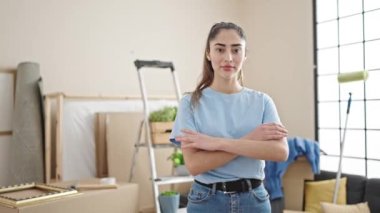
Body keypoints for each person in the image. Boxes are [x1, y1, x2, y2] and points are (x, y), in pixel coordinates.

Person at [169, 22, 289, 213]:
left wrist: (215, 143)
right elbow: (194, 165)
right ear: (209, 53)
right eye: (220, 49)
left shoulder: (263, 101)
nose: (228, 58)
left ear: (245, 55)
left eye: (236, 50)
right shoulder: (190, 103)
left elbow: (280, 152)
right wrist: (251, 139)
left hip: (254, 201)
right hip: (207, 201)